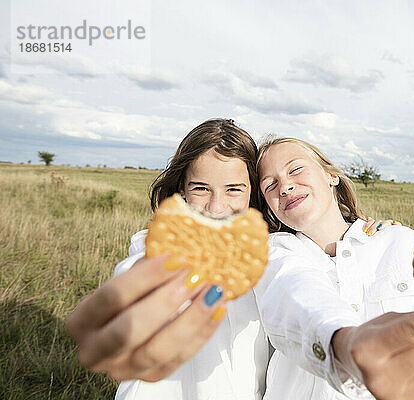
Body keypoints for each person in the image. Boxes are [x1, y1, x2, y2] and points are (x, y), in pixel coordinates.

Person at [66, 119, 393, 400]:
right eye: (201, 188)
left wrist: (364, 236)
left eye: (234, 189)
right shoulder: (153, 246)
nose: (216, 207)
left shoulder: (272, 255)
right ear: (181, 189)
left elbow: (304, 294)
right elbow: (137, 275)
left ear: (253, 194)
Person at [255, 137, 414, 400]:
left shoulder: (400, 242)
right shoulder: (274, 252)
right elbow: (297, 294)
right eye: (270, 184)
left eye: (295, 169)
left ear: (330, 176)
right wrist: (346, 344)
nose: (285, 186)